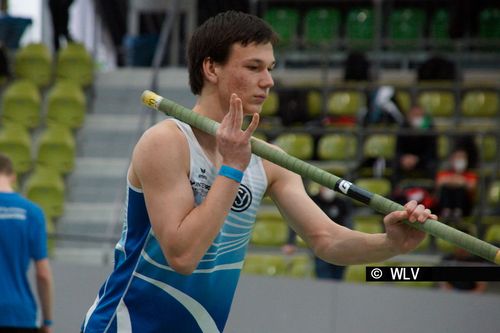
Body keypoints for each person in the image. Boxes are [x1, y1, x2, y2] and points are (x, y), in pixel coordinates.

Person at [81, 11, 437, 333]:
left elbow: (325, 240)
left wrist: (390, 243)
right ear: (212, 68)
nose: (268, 81)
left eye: (270, 68)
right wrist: (232, 168)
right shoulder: (165, 143)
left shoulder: (269, 160)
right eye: (253, 67)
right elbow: (183, 256)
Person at [0, 153, 54, 333]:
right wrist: (47, 320)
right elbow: (43, 274)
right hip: (19, 314)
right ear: (13, 176)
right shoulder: (32, 212)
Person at [282, 185, 351, 280]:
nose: (329, 190)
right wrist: (290, 242)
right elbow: (296, 220)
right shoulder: (311, 201)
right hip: (320, 246)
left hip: (340, 246)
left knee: (338, 280)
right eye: (326, 187)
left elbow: (349, 224)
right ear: (320, 188)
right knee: (324, 279)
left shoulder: (341, 203)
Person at [393, 104, 438, 184]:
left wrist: (417, 159)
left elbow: (431, 152)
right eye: (415, 115)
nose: (417, 118)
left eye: (420, 115)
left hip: (423, 160)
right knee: (395, 164)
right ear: (409, 116)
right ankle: (397, 191)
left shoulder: (430, 128)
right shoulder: (403, 128)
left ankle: (430, 191)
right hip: (406, 160)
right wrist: (404, 158)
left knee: (432, 165)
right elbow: (398, 149)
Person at [436, 147, 478, 220]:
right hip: (445, 203)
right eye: (458, 157)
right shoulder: (444, 172)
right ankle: (446, 211)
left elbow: (472, 187)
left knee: (460, 189)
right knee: (446, 189)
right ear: (452, 160)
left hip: (465, 206)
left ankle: (458, 212)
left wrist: (458, 181)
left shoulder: (471, 174)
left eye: (462, 157)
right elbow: (439, 183)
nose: (460, 159)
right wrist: (460, 181)